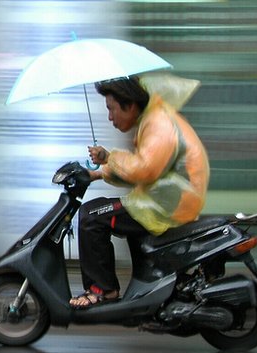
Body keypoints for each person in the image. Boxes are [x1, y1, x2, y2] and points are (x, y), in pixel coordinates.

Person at [69, 75, 209, 309]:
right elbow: (138, 169)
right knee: (107, 213)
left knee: (92, 216)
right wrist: (97, 173)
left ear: (130, 104)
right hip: (164, 199)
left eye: (111, 109)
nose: (110, 117)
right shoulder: (151, 120)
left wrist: (109, 157)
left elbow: (144, 170)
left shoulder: (159, 124)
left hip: (167, 205)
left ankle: (102, 289)